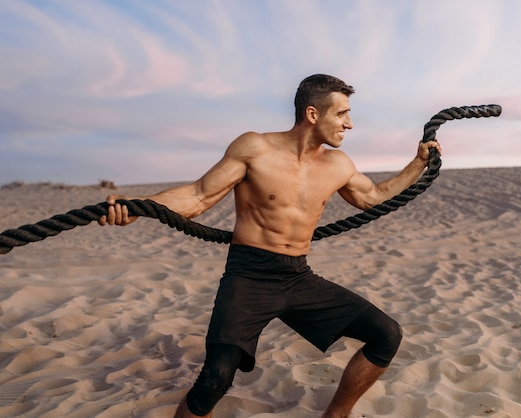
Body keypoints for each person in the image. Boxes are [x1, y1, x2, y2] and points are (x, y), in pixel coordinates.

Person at [99, 74, 442, 418]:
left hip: (298, 277)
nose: (349, 124)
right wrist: (138, 208)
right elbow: (198, 196)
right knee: (216, 377)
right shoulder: (255, 149)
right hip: (248, 276)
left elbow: (375, 197)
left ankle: (336, 415)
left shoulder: (339, 164)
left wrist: (417, 164)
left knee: (386, 335)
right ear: (312, 114)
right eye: (341, 114)